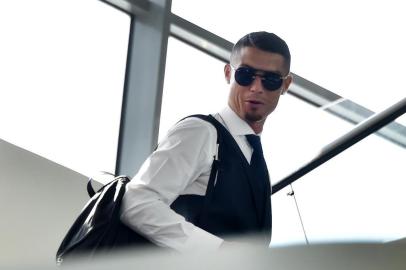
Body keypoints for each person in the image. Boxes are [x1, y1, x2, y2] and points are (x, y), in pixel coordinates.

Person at [120, 31, 292, 253]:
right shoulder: (201, 132)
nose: (256, 87)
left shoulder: (256, 161)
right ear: (228, 73)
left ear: (285, 85)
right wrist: (219, 251)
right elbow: (135, 202)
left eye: (270, 80)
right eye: (246, 75)